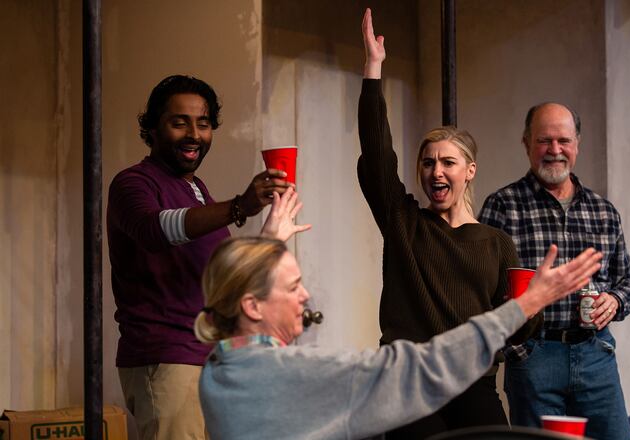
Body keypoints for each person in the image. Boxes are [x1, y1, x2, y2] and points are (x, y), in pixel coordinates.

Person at [195, 226, 603, 439]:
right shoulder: (286, 372)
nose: (305, 295)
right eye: (292, 286)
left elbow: (241, 290)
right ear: (251, 305)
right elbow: (419, 366)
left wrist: (270, 242)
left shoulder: (219, 366)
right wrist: (526, 304)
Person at [357, 9, 542, 438]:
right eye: (428, 163)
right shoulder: (404, 222)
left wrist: (534, 305)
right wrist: (373, 69)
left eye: (447, 162)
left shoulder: (496, 244)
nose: (436, 171)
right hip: (408, 381)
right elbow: (377, 153)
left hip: (472, 383)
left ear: (470, 170)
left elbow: (514, 325)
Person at [107, 74, 309, 440]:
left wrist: (270, 236)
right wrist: (238, 207)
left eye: (203, 123)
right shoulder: (133, 183)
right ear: (152, 129)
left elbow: (221, 280)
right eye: (178, 122)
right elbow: (154, 230)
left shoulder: (197, 190)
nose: (194, 134)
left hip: (212, 358)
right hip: (167, 356)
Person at [479, 102, 630, 440]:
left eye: (564, 141)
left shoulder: (603, 211)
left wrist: (614, 299)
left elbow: (629, 280)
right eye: (544, 141)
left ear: (577, 144)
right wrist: (518, 350)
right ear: (526, 144)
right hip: (534, 356)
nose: (555, 151)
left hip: (596, 354)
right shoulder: (503, 205)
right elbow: (482, 290)